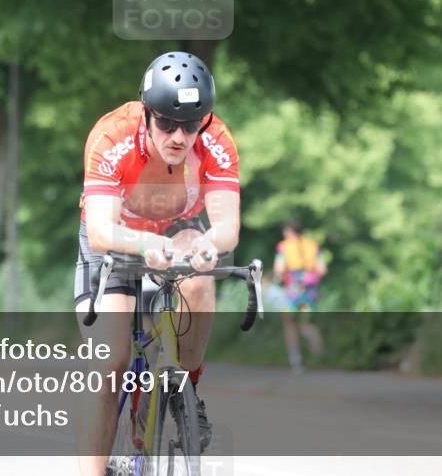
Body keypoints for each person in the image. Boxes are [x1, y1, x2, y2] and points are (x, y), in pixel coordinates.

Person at [74, 52, 240, 476]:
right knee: (110, 367)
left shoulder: (216, 139)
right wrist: (142, 241)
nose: (179, 136)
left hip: (177, 227)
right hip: (116, 237)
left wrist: (208, 246)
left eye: (191, 124)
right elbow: (100, 230)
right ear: (147, 114)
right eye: (166, 123)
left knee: (201, 278)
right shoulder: (112, 136)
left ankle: (188, 387)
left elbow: (226, 227)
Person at [272, 222, 328, 373]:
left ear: (289, 232)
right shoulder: (313, 245)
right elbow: (322, 269)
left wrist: (280, 278)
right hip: (310, 287)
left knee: (290, 324)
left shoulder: (283, 246)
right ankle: (320, 356)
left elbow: (279, 268)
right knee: (307, 322)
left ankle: (296, 361)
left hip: (292, 287)